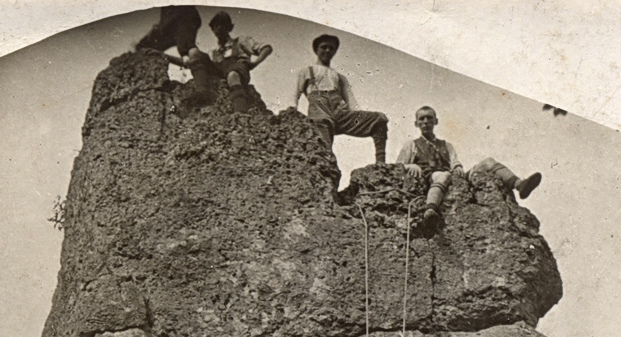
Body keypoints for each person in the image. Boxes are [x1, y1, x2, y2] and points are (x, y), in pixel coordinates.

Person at [397, 105, 542, 230]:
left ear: (436, 121)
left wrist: (458, 166)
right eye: (421, 119)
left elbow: (454, 161)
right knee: (443, 175)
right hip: (431, 177)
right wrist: (410, 165)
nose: (426, 122)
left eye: (429, 118)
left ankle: (519, 184)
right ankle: (430, 210)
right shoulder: (412, 144)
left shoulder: (446, 145)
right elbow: (397, 166)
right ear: (416, 123)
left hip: (452, 178)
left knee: (488, 162)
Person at [295, 35, 388, 165]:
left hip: (340, 114)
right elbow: (296, 94)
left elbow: (352, 103)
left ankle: (381, 163)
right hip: (320, 112)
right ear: (316, 49)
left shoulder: (340, 77)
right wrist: (293, 114)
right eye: (324, 47)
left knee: (380, 119)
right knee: (325, 155)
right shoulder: (307, 71)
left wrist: (359, 118)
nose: (327, 50)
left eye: (331, 48)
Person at [208, 11, 272, 114]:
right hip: (221, 74)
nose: (219, 28)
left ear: (229, 27)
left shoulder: (241, 41)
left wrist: (254, 63)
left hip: (239, 71)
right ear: (213, 29)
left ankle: (240, 112)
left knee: (232, 75)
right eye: (216, 26)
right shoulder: (213, 52)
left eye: (223, 24)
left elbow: (266, 48)